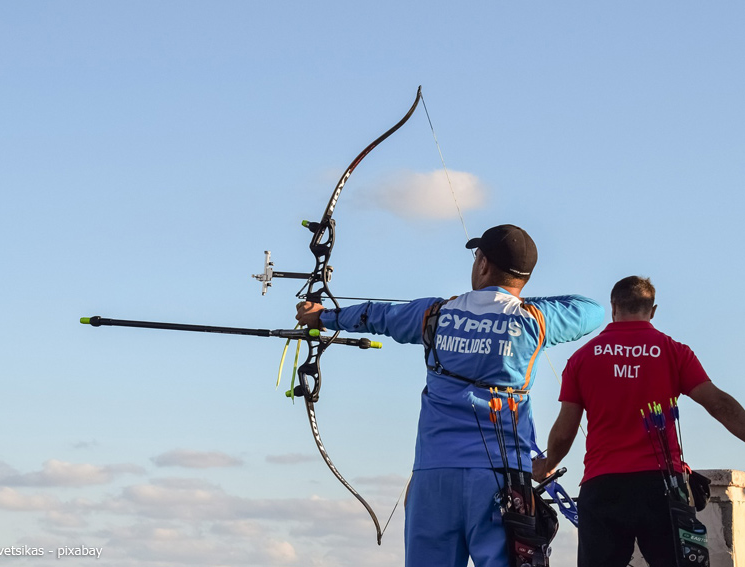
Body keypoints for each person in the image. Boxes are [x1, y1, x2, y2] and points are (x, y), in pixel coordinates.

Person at [296, 224, 604, 567]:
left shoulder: (434, 313)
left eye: (477, 257)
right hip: (503, 480)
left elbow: (377, 315)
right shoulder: (535, 319)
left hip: (434, 476)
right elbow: (592, 309)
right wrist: (516, 306)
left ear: (484, 264)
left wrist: (321, 317)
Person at [532, 275, 745, 567]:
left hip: (603, 486)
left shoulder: (582, 358)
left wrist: (547, 465)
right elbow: (718, 404)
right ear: (652, 310)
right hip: (662, 487)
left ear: (613, 306)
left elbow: (565, 430)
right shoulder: (674, 351)